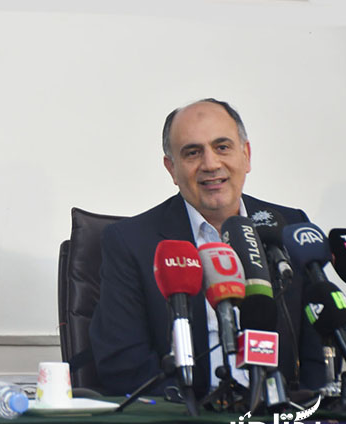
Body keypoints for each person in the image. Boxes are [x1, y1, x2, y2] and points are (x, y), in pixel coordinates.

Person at [88, 99, 325, 398]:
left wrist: (310, 408)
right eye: (192, 152)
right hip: (189, 414)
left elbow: (318, 351)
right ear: (172, 169)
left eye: (222, 147)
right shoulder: (131, 242)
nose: (211, 164)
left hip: (280, 412)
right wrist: (196, 411)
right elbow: (123, 364)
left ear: (246, 155)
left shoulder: (289, 227)